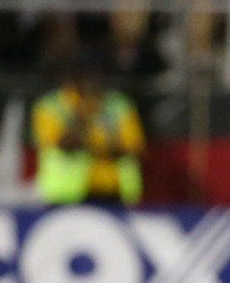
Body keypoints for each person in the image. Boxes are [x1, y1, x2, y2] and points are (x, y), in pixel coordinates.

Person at [30, 60, 145, 205]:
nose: (92, 83)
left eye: (96, 76)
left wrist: (104, 143)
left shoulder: (118, 104)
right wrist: (83, 114)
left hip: (113, 191)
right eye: (86, 77)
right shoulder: (51, 105)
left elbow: (133, 147)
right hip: (66, 193)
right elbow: (65, 146)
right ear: (73, 78)